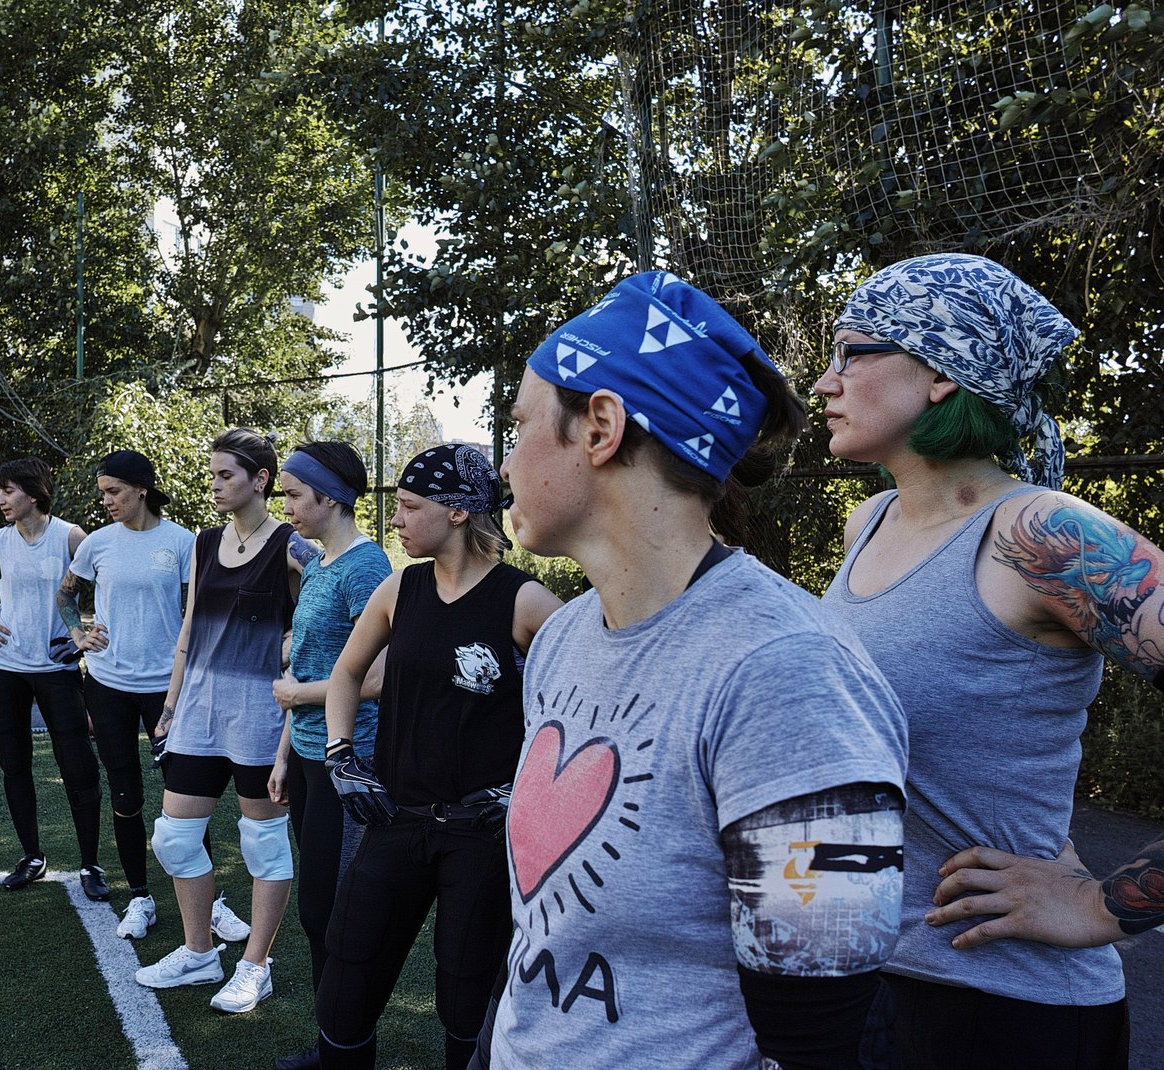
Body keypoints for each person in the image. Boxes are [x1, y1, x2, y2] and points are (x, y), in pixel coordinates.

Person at [480, 271, 909, 1069]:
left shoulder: (786, 671)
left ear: (600, 427)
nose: (505, 462)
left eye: (520, 426)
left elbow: (819, 1035)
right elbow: (550, 933)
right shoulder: (568, 634)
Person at [814, 253, 1164, 1069]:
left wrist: (1100, 904)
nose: (824, 383)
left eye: (850, 352)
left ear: (940, 373)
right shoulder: (867, 522)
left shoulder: (1043, 535)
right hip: (872, 984)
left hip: (1011, 1010)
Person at [313, 443, 562, 1070]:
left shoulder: (523, 600)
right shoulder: (402, 588)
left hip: (479, 835)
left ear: (456, 512)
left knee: (465, 995)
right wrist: (342, 759)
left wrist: (523, 790)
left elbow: (581, 708)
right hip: (396, 818)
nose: (394, 519)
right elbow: (346, 674)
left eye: (408, 506)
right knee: (348, 976)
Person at [134, 428, 307, 1014]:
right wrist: (170, 704)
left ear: (261, 480)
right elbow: (188, 632)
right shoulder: (204, 543)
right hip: (197, 715)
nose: (213, 485)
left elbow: (327, 615)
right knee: (175, 839)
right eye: (211, 475)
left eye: (225, 475)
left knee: (264, 847)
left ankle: (255, 964)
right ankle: (199, 951)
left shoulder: (292, 543)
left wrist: (288, 645)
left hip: (261, 719)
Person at [55, 449, 245, 943]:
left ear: (141, 489)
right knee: (125, 791)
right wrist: (78, 635)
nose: (107, 501)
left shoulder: (184, 542)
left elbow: (197, 611)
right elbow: (65, 595)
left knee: (187, 796)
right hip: (108, 683)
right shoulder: (96, 543)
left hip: (170, 686)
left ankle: (212, 902)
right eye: (103, 493)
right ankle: (140, 896)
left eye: (114, 491)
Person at [267, 442, 392, 1070]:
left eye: (291, 494)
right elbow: (314, 662)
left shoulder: (367, 569)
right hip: (312, 761)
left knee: (333, 913)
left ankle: (347, 1049)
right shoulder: (319, 565)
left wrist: (299, 695)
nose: (282, 504)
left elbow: (378, 676)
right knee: (319, 913)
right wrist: (286, 756)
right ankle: (336, 1043)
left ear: (330, 498)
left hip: (353, 762)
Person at [0, 457, 107, 900]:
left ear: (32, 492)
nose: (0, 499)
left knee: (78, 766)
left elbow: (109, 585)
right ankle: (31, 857)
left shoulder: (71, 536)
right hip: (4, 667)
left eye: (8, 491)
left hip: (58, 670)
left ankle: (90, 864)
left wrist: (85, 633)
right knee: (14, 764)